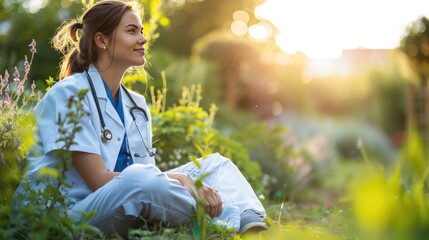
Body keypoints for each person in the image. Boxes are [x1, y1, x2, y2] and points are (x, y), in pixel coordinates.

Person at [14, 0, 267, 237]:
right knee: (141, 179)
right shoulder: (69, 93)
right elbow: (99, 180)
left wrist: (184, 180)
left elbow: (150, 177)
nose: (143, 39)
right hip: (68, 215)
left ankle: (250, 219)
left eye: (142, 31)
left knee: (215, 165)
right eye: (132, 31)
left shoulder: (136, 104)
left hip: (123, 200)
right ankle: (226, 220)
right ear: (102, 40)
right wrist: (181, 179)